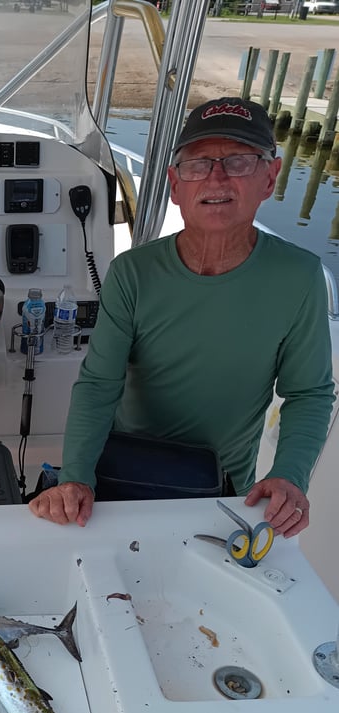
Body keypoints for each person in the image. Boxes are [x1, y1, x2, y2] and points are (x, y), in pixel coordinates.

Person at [29, 97, 335, 538]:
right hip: (120, 478)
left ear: (270, 177)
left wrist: (289, 475)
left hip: (223, 493)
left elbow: (308, 393)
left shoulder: (299, 278)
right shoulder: (133, 272)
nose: (216, 177)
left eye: (239, 161)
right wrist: (76, 477)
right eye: (198, 164)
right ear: (175, 184)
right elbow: (99, 384)